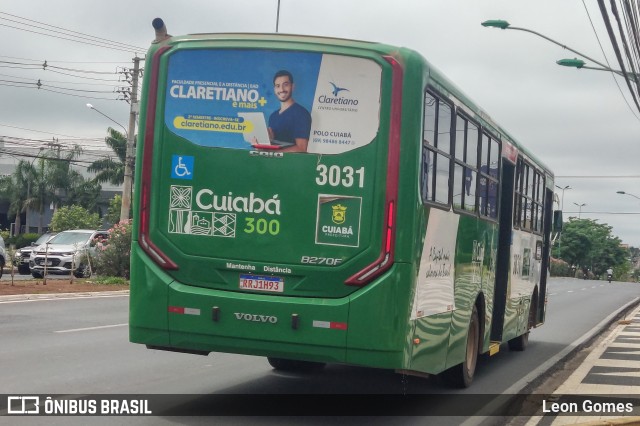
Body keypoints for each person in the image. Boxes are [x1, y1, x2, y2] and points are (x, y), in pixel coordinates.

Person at [264, 70, 311, 153]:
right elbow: (274, 146)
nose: (281, 89)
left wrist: (274, 153)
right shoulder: (273, 116)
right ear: (274, 89)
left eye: (285, 85)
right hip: (274, 164)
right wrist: (264, 143)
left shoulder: (301, 114)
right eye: (278, 86)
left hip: (292, 164)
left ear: (293, 86)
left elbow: (302, 148)